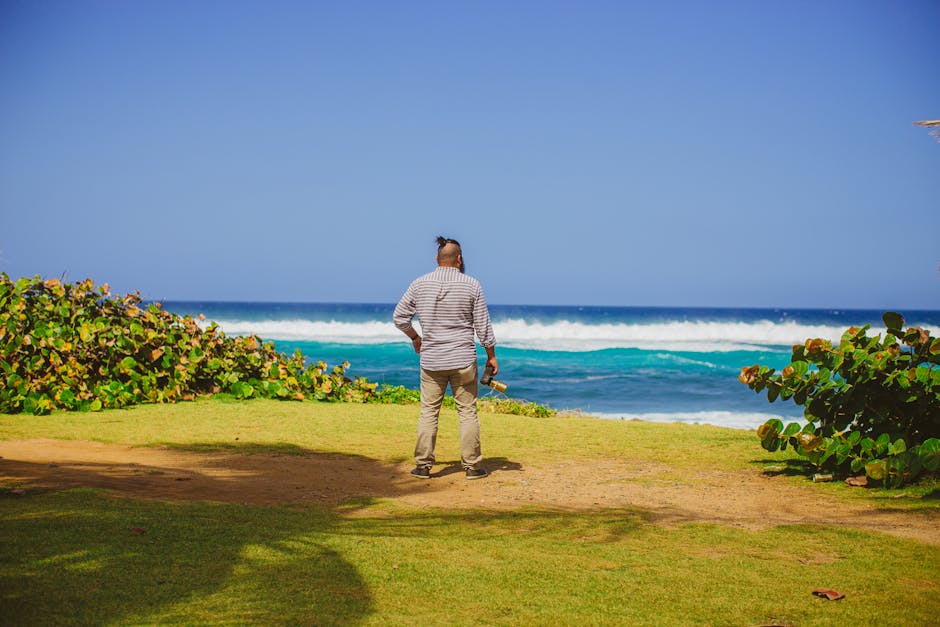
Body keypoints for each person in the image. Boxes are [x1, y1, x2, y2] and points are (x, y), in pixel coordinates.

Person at [393, 236, 498, 480]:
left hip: (432, 361)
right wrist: (491, 356)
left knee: (429, 412)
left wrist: (415, 338)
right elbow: (483, 327)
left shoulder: (420, 283)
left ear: (437, 260)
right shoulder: (472, 285)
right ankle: (472, 466)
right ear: (459, 259)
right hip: (462, 359)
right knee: (467, 412)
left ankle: (422, 466)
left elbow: (399, 317)